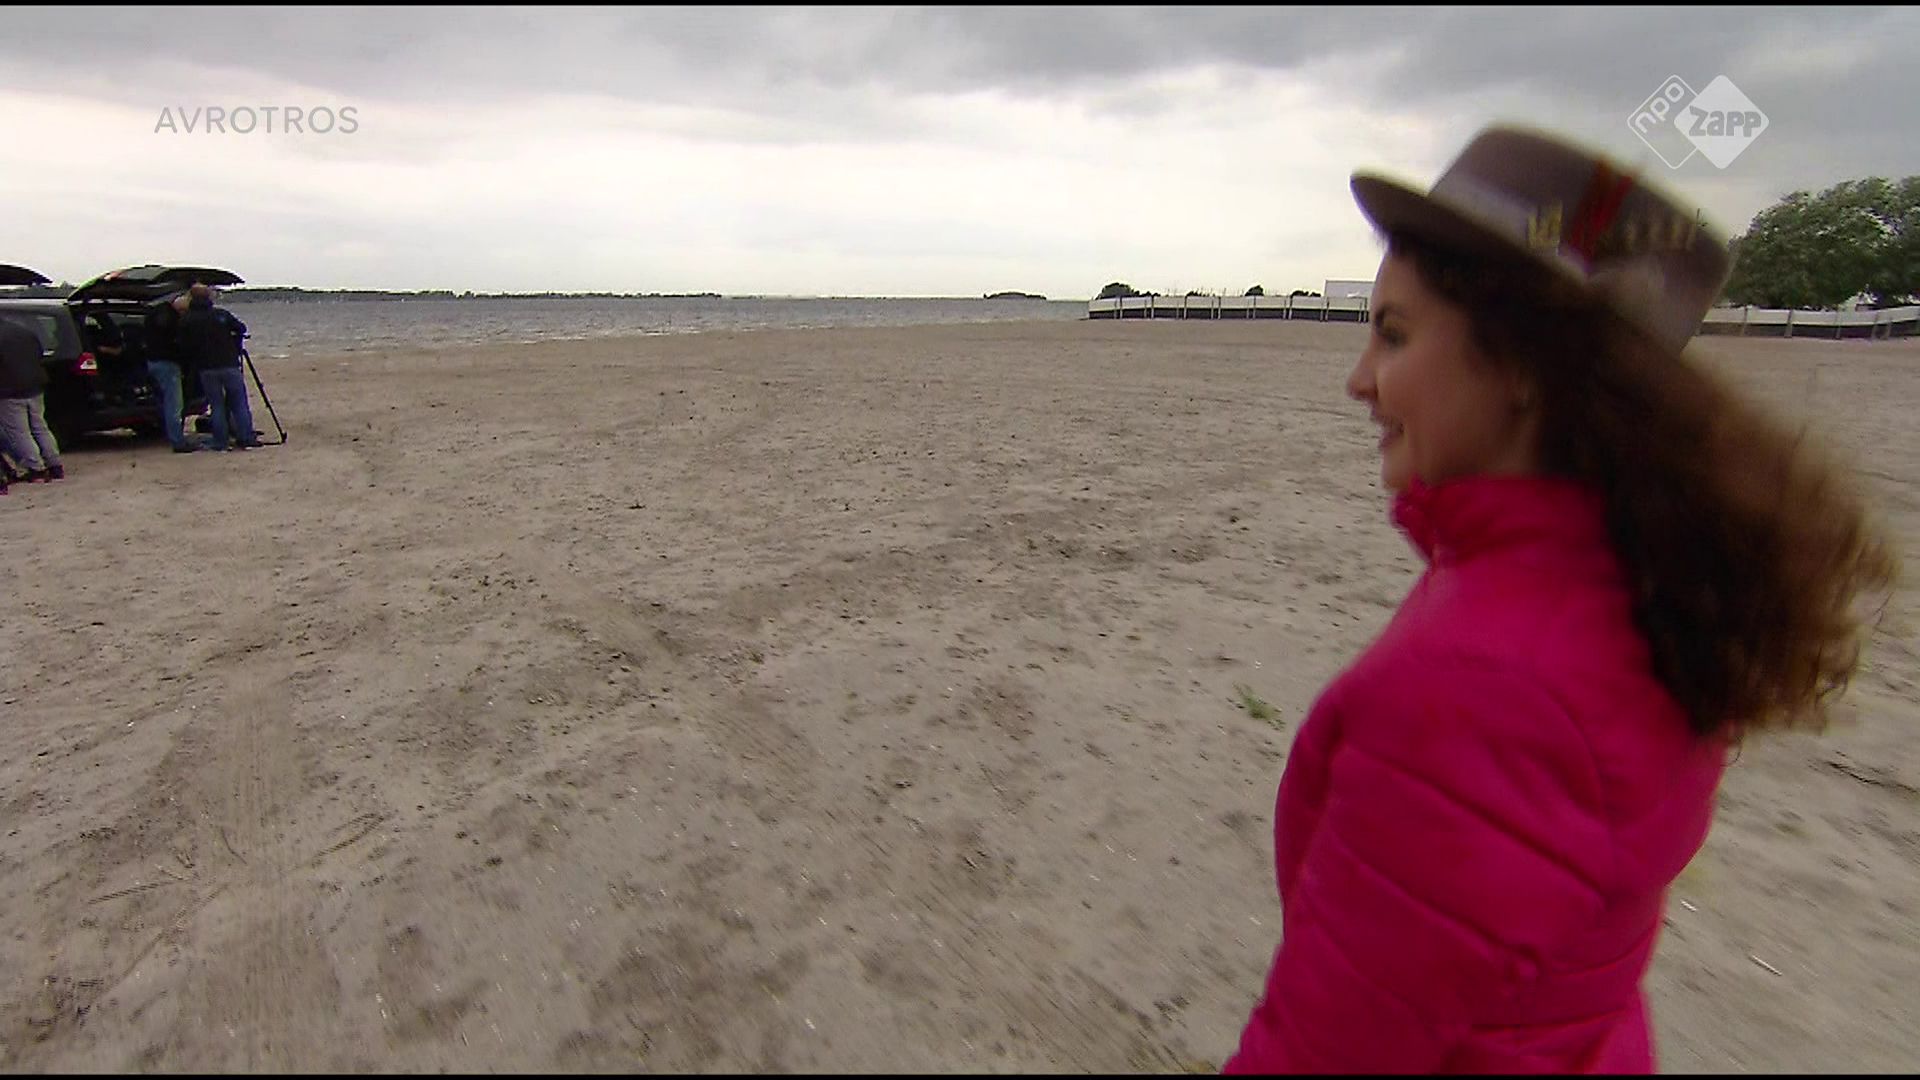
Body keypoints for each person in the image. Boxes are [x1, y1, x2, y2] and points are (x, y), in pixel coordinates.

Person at [1222, 124, 1898, 1074]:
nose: (1359, 379)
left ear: (1523, 364)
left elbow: (1322, 1051)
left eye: (1395, 335)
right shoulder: (1643, 580)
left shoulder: (1478, 688)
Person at [175, 285, 260, 451]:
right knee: (239, 402)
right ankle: (246, 437)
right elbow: (241, 328)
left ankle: (221, 441)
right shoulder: (220, 314)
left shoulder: (187, 320)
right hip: (229, 363)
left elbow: (184, 344)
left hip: (206, 367)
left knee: (217, 405)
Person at [0, 314, 64, 481]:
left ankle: (35, 467)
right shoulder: (24, 331)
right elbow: (39, 354)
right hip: (35, 385)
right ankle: (55, 464)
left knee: (19, 432)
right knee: (40, 426)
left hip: (9, 390)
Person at [145, 295, 196, 452]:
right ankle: (177, 441)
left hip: (152, 361)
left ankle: (166, 432)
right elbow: (176, 343)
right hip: (167, 364)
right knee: (174, 403)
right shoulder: (171, 321)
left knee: (164, 400)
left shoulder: (154, 315)